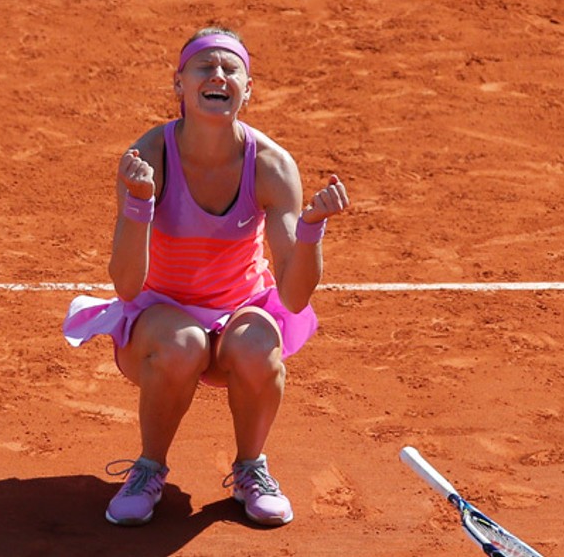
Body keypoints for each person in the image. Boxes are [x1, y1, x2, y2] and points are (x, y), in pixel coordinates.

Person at [62, 26, 350, 527]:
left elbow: (295, 296)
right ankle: (148, 469)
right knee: (183, 342)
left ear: (247, 88)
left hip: (239, 314)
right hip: (158, 323)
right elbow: (127, 286)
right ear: (179, 85)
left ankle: (250, 469)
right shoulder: (148, 156)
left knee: (259, 344)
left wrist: (311, 230)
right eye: (205, 67)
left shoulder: (273, 165)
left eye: (230, 69)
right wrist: (138, 203)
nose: (218, 76)